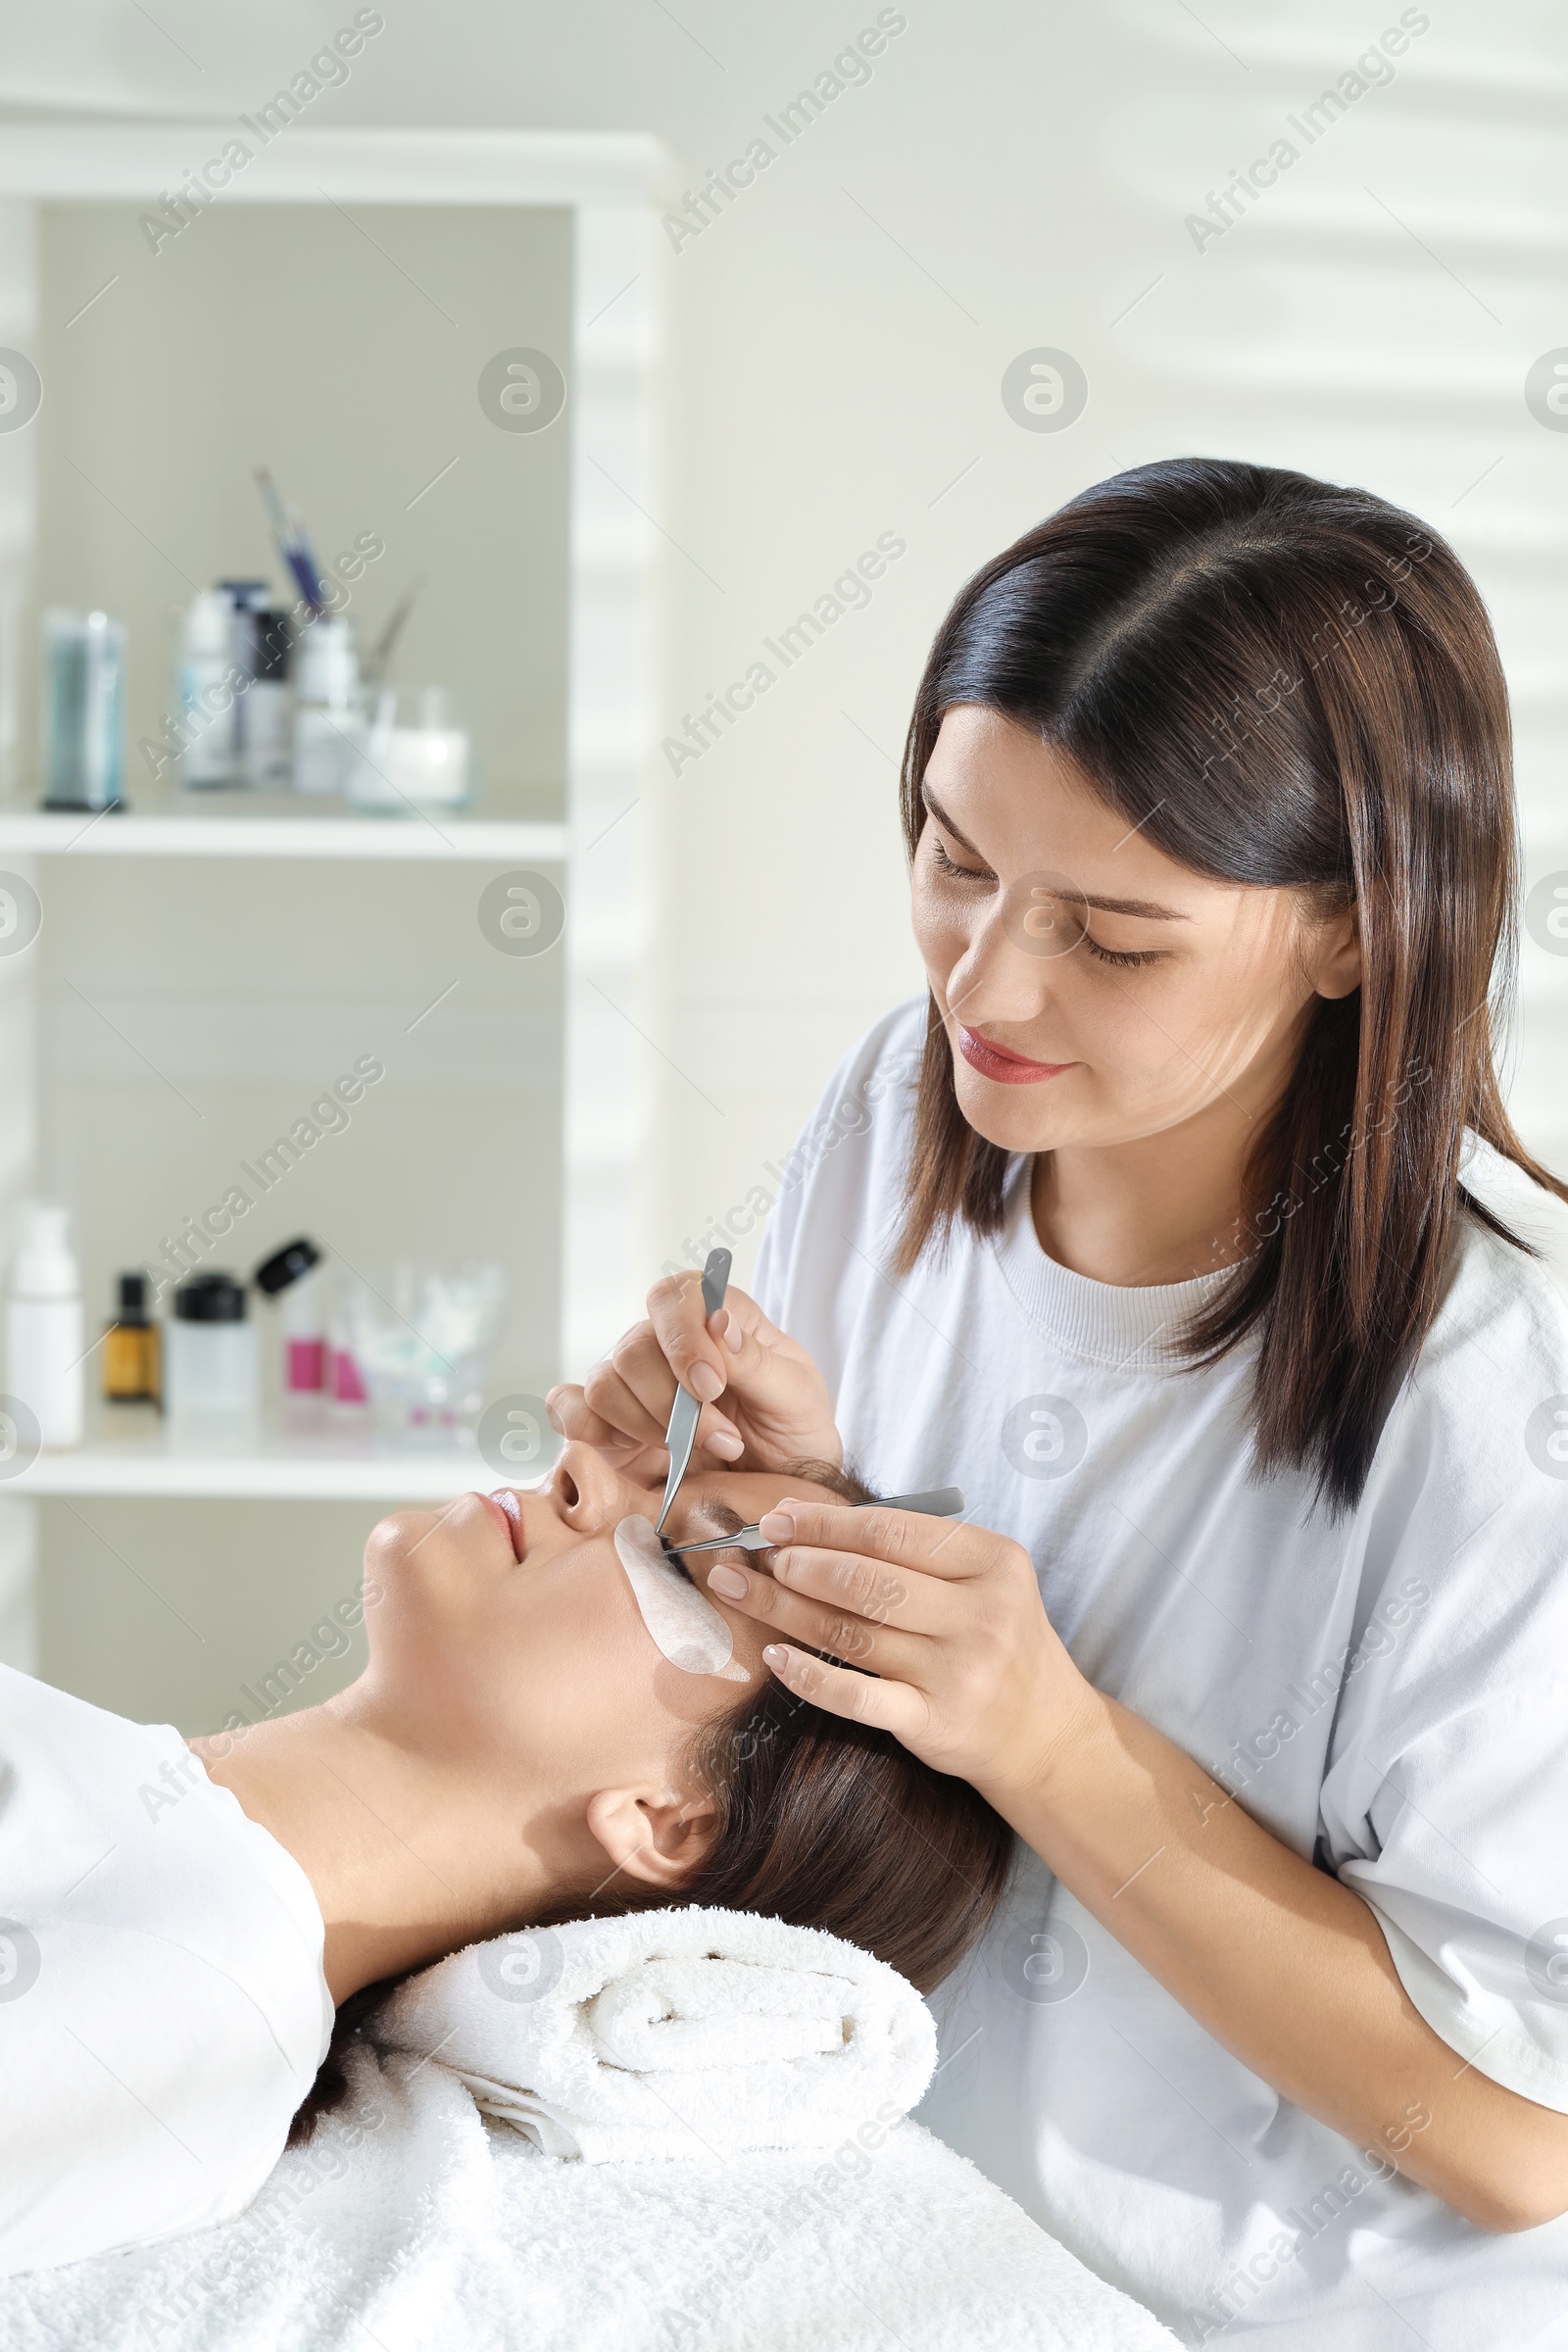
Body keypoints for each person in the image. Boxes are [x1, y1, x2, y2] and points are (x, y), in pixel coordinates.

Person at [548, 458, 1568, 2348]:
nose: (988, 980)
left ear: (1353, 927)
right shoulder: (905, 1105)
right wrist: (768, 1504)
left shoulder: (1509, 1405)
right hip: (928, 2259)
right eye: (952, 855)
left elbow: (1520, 2137)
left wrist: (1053, 1741)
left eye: (1114, 932)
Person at [0, 1446, 1011, 2278]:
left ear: (667, 1823)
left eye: (670, 1555)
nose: (581, 1471)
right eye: (650, 1458)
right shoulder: (135, 1822)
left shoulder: (193, 2006)